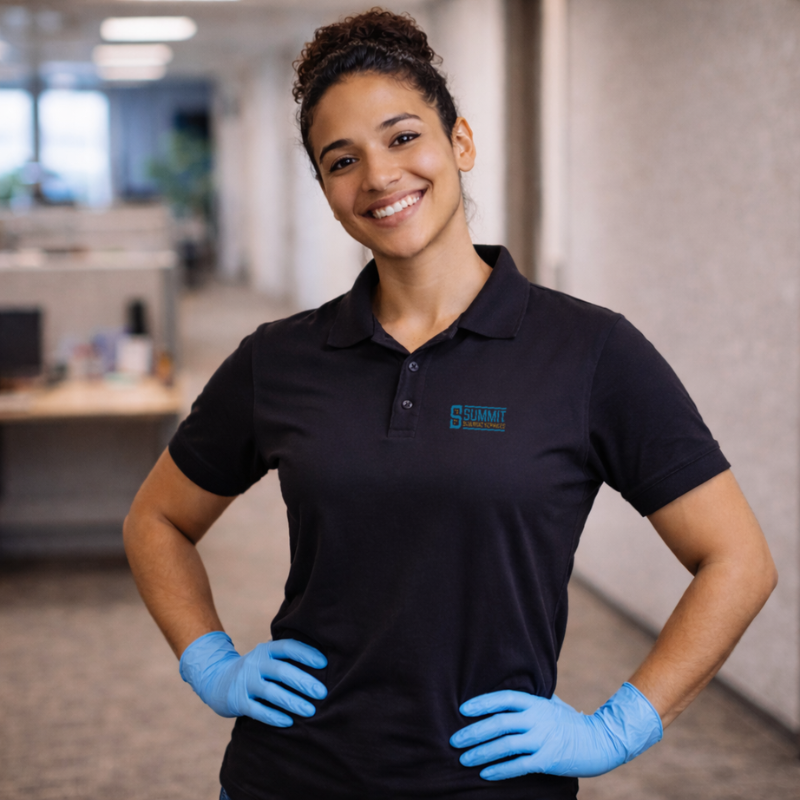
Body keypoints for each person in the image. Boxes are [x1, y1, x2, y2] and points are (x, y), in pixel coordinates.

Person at [123, 9, 777, 800]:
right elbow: (156, 521)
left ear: (460, 142)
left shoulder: (590, 353)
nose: (379, 177)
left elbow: (738, 561)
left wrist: (619, 726)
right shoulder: (280, 359)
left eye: (403, 138)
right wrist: (212, 664)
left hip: (492, 786)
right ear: (327, 190)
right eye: (342, 160)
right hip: (289, 776)